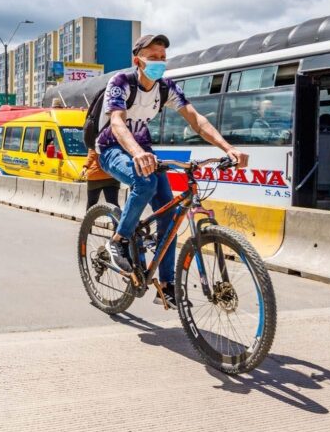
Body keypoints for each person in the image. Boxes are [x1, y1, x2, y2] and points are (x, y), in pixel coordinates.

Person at [96, 34, 249, 308]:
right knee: (144, 183)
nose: (159, 62)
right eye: (152, 57)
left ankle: (166, 286)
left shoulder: (165, 88)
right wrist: (137, 153)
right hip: (112, 149)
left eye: (163, 58)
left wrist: (228, 148)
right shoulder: (121, 83)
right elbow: (117, 122)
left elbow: (196, 120)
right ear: (137, 61)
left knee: (170, 214)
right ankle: (118, 241)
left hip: (143, 151)